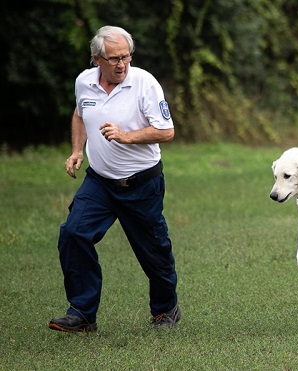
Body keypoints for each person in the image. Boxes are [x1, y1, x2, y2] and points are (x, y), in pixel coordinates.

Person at [49, 25, 180, 332]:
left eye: (126, 57)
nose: (122, 64)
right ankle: (82, 313)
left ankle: (165, 310)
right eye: (114, 59)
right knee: (73, 234)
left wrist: (126, 136)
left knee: (154, 251)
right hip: (100, 182)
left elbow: (166, 131)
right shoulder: (84, 82)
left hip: (141, 184)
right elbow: (80, 113)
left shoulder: (145, 83)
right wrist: (76, 150)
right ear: (97, 59)